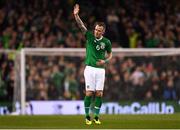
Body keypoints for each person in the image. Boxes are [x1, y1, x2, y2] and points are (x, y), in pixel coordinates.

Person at [73, 4, 112, 125]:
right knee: (89, 93)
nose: (96, 32)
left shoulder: (106, 42)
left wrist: (105, 61)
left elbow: (110, 54)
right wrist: (76, 15)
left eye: (99, 30)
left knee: (99, 93)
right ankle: (87, 116)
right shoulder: (89, 36)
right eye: (95, 29)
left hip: (101, 70)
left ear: (103, 31)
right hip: (89, 69)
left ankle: (96, 116)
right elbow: (81, 26)